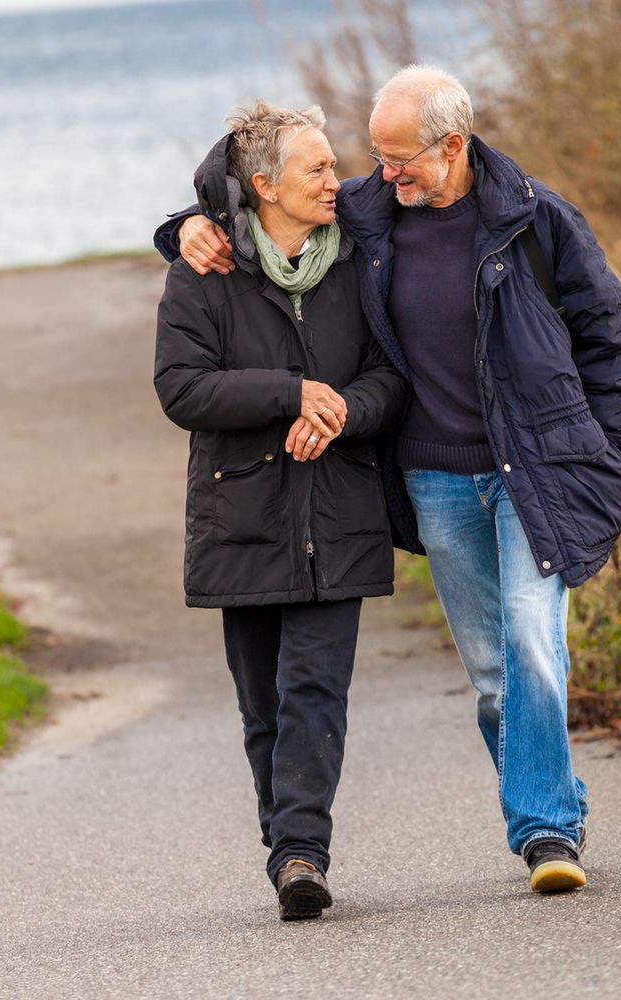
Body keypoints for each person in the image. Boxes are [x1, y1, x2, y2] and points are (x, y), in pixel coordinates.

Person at [156, 66, 621, 894]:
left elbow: (607, 330)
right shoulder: (375, 210)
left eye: (398, 158)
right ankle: (542, 805)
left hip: (537, 469)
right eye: (372, 159)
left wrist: (616, 447)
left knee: (532, 638)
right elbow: (255, 204)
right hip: (438, 479)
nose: (377, 174)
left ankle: (546, 830)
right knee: (492, 671)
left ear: (450, 145)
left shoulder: (536, 217)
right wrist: (185, 227)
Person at [154, 101, 406, 920]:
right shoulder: (204, 266)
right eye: (319, 169)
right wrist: (290, 392)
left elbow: (390, 376)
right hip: (245, 517)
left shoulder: (361, 260)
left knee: (313, 690)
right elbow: (181, 388)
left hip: (340, 511)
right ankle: (287, 848)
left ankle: (303, 851)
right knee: (262, 703)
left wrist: (341, 411)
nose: (340, 180)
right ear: (263, 185)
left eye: (334, 166)